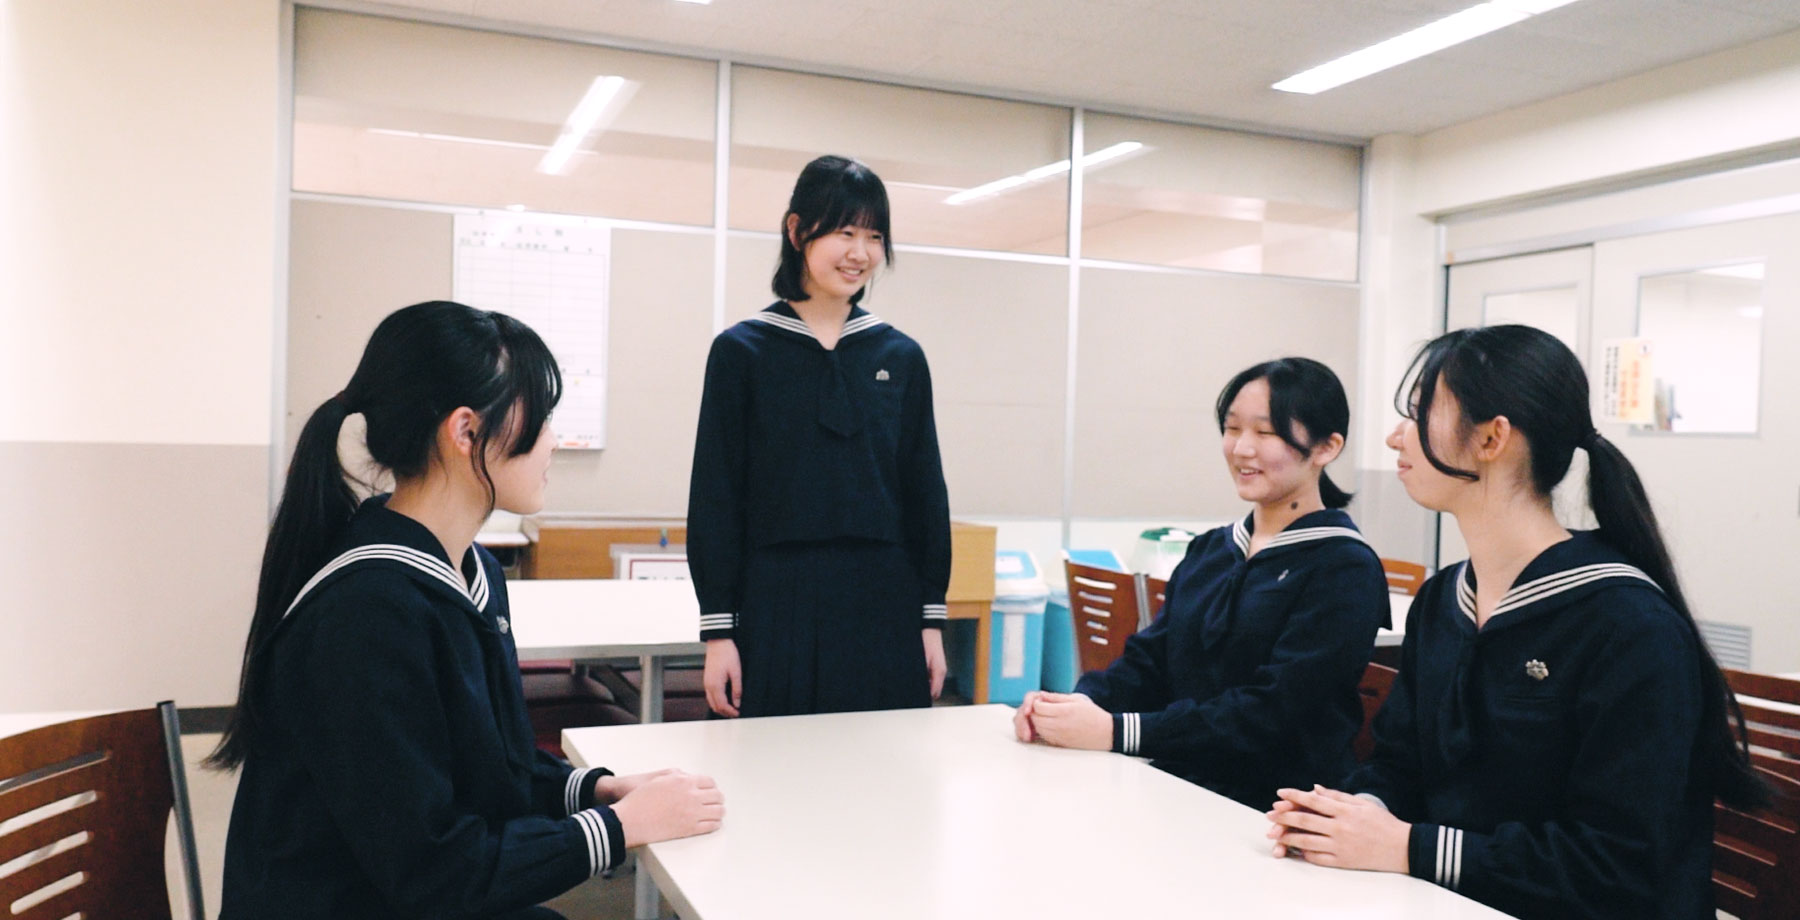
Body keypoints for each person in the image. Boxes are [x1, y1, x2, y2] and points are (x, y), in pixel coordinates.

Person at [210, 301, 722, 920]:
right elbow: (434, 873)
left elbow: (491, 767)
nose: (553, 442)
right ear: (465, 432)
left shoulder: (472, 571)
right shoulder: (366, 613)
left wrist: (595, 790)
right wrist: (617, 828)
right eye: (542, 419)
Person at [1265, 325, 1765, 920]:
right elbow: (1400, 763)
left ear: (1491, 438)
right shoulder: (1443, 600)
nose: (1396, 436)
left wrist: (1407, 847)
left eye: (1420, 413)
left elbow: (1619, 867)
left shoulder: (1629, 626)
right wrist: (1352, 814)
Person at [1014, 358, 1389, 809]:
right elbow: (1149, 661)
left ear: (1326, 447)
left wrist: (1118, 731)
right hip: (1179, 785)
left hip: (1277, 809)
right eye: (1232, 429)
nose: (1242, 448)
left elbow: (1273, 711)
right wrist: (1070, 708)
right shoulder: (1212, 549)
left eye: (1265, 432)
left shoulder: (1344, 568)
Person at [689, 154, 951, 718]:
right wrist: (718, 632)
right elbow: (715, 496)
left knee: (885, 761)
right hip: (774, 600)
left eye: (874, 236)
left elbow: (925, 493)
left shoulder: (900, 356)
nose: (861, 252)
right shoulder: (742, 352)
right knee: (768, 761)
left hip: (884, 601)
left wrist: (930, 620)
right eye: (844, 231)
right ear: (796, 231)